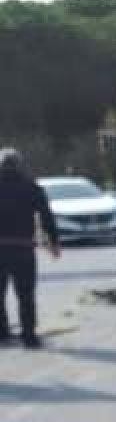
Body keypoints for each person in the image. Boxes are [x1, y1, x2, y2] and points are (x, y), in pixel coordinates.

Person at [0, 147, 60, 348]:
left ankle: (1, 332)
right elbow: (47, 217)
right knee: (26, 294)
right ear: (19, 165)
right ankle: (29, 336)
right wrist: (54, 243)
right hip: (23, 249)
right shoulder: (31, 187)